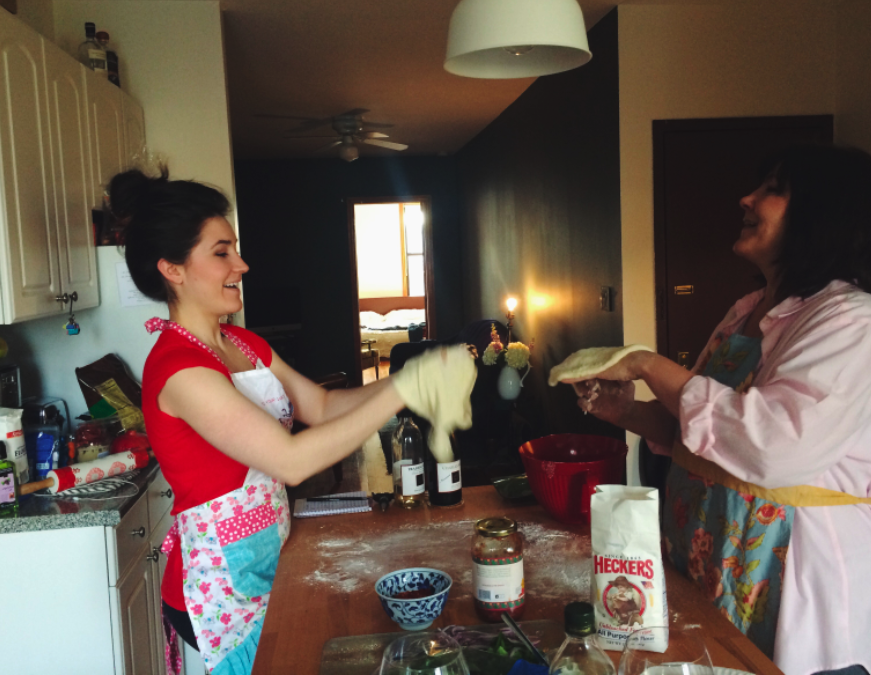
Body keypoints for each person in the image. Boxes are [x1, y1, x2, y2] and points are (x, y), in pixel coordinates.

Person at [108, 168, 474, 674]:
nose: (242, 264)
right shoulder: (178, 370)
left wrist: (410, 377)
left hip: (268, 554)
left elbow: (321, 406)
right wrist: (407, 392)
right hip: (219, 587)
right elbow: (291, 461)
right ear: (172, 268)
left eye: (235, 249)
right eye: (222, 253)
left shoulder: (242, 344)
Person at [559, 144, 871, 675]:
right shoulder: (745, 312)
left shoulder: (850, 322)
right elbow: (704, 433)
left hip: (792, 590)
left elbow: (771, 448)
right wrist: (627, 412)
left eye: (773, 189)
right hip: (712, 567)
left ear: (823, 213)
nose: (747, 198)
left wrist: (647, 364)